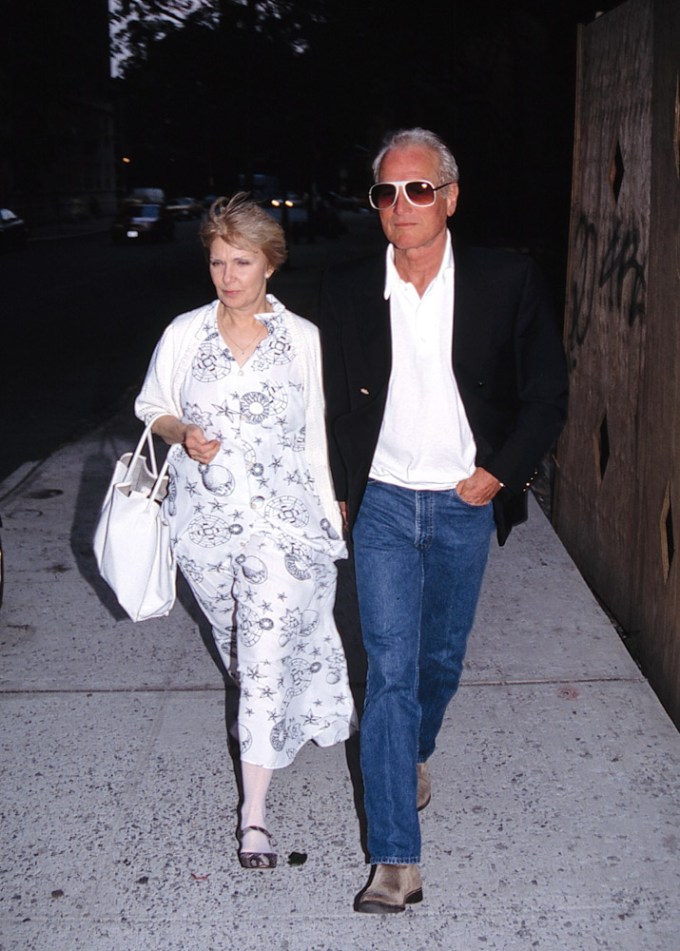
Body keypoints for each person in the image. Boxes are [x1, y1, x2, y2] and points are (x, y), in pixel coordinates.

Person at [319, 128, 568, 912]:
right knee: (389, 670)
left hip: (464, 499)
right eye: (386, 192)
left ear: (450, 198)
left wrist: (500, 471)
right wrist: (336, 486)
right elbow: (320, 402)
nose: (402, 205)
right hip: (385, 501)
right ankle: (396, 858)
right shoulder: (349, 292)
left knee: (440, 660)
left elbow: (548, 394)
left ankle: (414, 752)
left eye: (418, 189)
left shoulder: (505, 280)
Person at [136, 193, 356, 870]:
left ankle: (253, 817)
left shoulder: (303, 341)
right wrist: (183, 432)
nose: (228, 275)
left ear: (269, 265)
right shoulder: (184, 334)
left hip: (283, 528)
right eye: (217, 261)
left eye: (242, 260)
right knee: (243, 649)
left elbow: (317, 435)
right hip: (203, 531)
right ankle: (299, 708)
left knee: (260, 661)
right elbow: (152, 406)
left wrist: (332, 512)